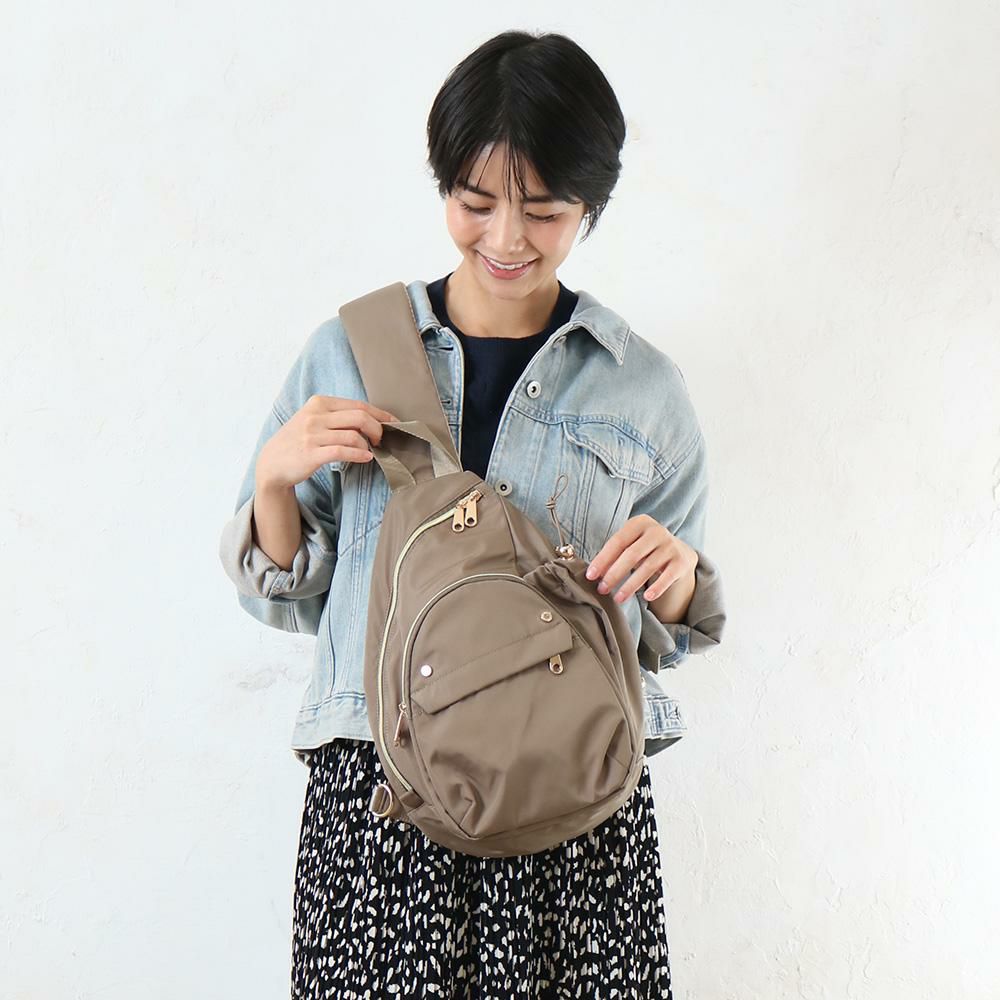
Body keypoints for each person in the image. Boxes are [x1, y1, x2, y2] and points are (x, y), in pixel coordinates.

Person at [219, 28, 727, 1000]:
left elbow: (666, 633)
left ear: (591, 204)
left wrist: (674, 579)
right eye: (475, 201)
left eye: (544, 210)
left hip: (572, 801)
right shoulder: (350, 353)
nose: (505, 239)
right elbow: (294, 598)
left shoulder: (643, 390)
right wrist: (275, 482)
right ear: (442, 185)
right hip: (381, 793)